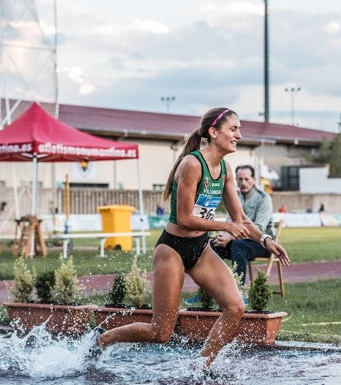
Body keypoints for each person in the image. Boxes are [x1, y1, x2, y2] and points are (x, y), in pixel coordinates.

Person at [95, 107, 290, 368]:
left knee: (235, 307)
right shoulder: (192, 164)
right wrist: (225, 226)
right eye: (233, 129)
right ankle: (105, 338)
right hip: (172, 249)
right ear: (213, 131)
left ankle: (201, 366)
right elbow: (184, 219)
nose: (239, 136)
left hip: (200, 249)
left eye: (239, 130)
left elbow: (242, 219)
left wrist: (266, 240)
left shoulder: (225, 169)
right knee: (161, 333)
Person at [204, 164, 274, 287]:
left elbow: (258, 228)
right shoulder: (234, 197)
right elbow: (229, 221)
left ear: (254, 180)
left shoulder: (264, 199)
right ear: (235, 180)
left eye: (246, 179)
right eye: (240, 179)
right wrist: (223, 235)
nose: (243, 182)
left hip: (262, 244)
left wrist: (231, 236)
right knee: (213, 245)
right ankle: (208, 291)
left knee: (238, 245)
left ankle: (238, 291)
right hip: (240, 242)